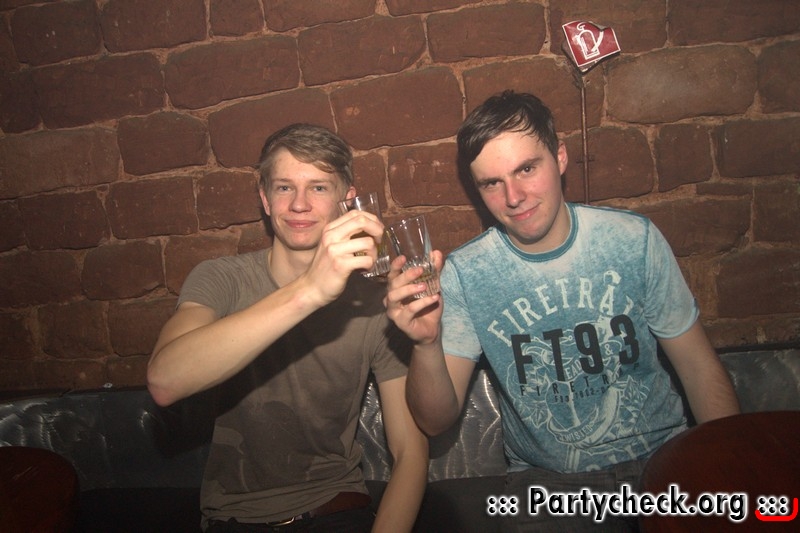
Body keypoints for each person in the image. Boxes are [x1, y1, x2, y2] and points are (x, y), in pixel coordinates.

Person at [385, 91, 740, 531]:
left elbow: (700, 369)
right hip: (549, 486)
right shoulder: (464, 274)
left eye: (526, 169)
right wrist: (426, 344)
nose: (513, 196)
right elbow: (435, 421)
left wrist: (732, 472)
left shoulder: (632, 240)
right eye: (492, 183)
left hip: (661, 461)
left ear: (560, 157)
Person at [147, 123, 428, 532]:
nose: (299, 204)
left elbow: (410, 452)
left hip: (336, 507)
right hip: (235, 517)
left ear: (347, 200)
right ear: (265, 198)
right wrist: (309, 290)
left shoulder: (374, 301)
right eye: (284, 188)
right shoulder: (222, 279)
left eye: (318, 187)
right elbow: (164, 381)